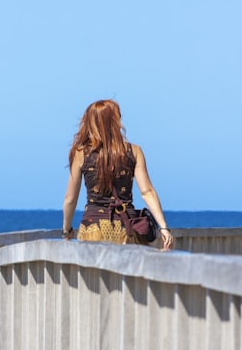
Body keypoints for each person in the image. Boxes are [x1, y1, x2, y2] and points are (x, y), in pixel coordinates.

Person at [62, 99, 174, 250]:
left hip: (93, 228)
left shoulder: (81, 153)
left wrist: (66, 229)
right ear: (116, 121)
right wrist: (163, 227)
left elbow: (70, 198)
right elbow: (147, 191)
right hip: (126, 228)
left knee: (95, 273)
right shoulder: (134, 151)